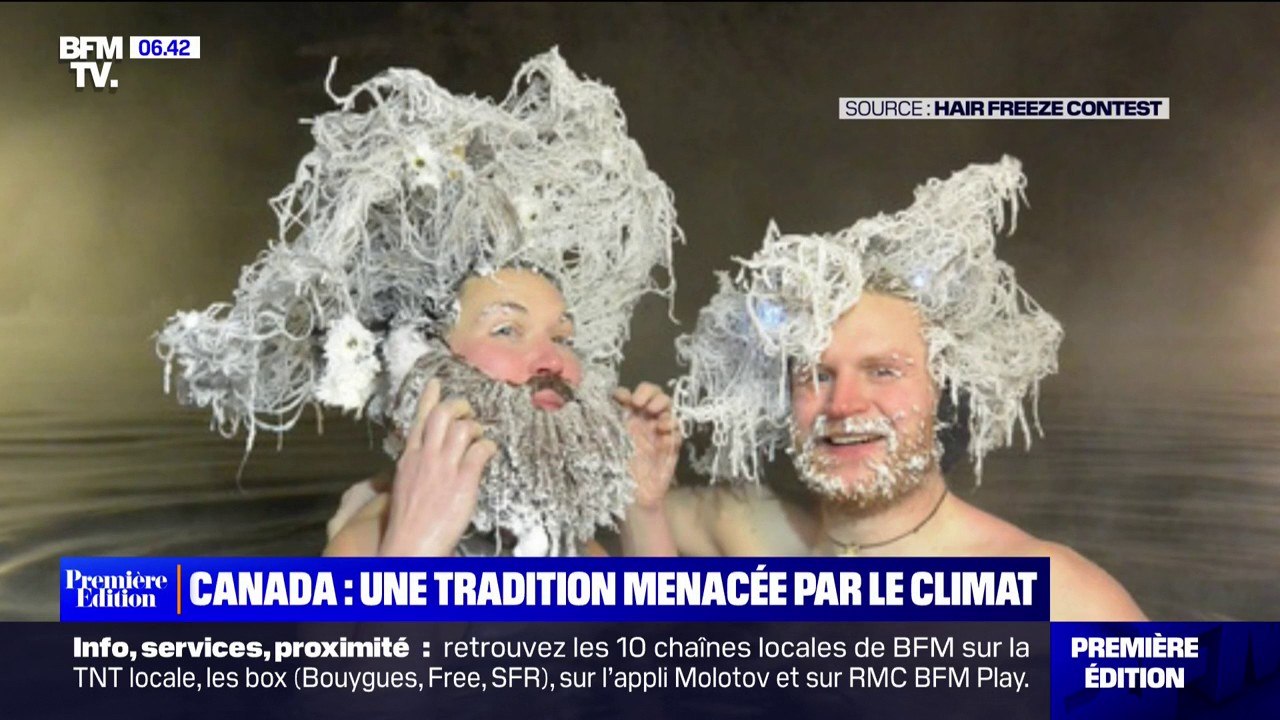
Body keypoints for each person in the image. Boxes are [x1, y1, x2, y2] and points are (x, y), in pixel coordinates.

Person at [157, 49, 680, 558]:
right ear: (424, 366)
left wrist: (644, 509)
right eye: (505, 330)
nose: (554, 360)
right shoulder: (365, 546)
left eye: (563, 338)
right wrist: (414, 549)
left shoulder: (578, 551)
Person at [664, 156, 1145, 620]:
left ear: (946, 392)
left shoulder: (1058, 599)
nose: (843, 405)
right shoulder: (749, 536)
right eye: (818, 375)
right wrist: (641, 494)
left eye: (883, 371)